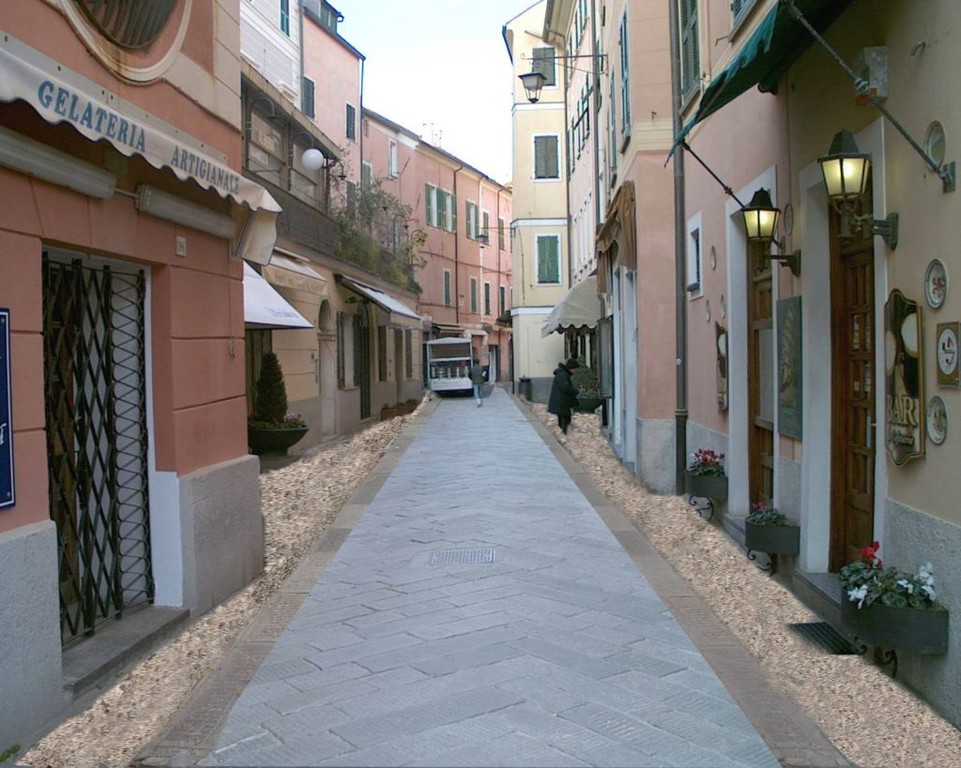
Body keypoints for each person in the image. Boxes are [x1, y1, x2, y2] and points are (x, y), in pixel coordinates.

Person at [547, 358, 580, 434]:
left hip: (561, 402)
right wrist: (575, 391)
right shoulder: (563, 375)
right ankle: (563, 434)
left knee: (564, 419)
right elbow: (566, 387)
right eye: (575, 369)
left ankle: (563, 433)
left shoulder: (562, 374)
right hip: (561, 402)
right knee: (564, 419)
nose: (576, 371)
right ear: (572, 368)